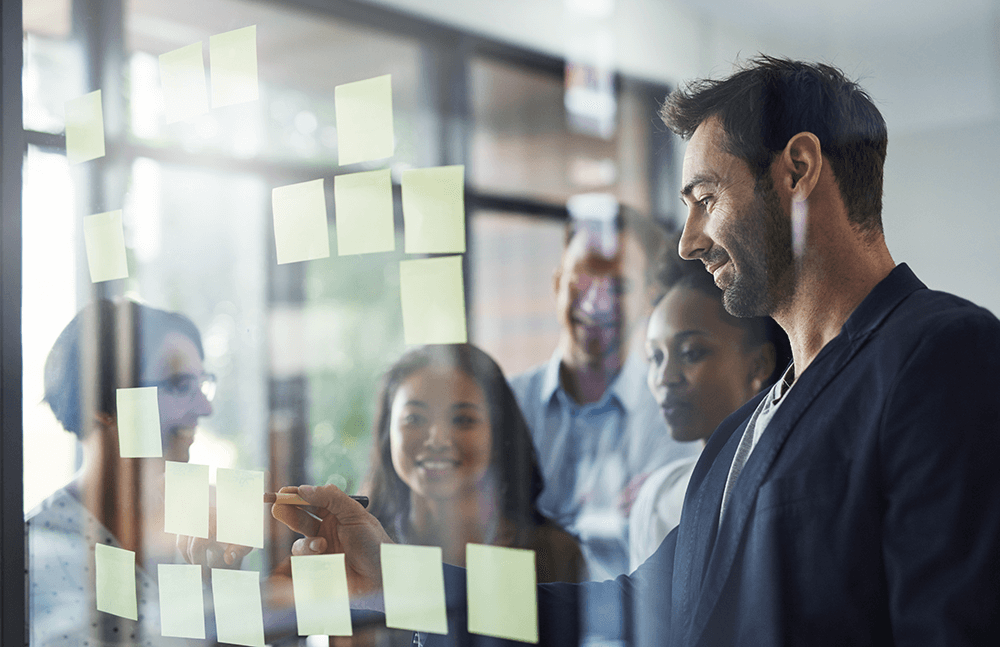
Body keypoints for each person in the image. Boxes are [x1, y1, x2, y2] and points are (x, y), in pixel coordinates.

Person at [273, 56, 1000, 646]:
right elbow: (636, 605)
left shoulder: (940, 352)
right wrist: (397, 578)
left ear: (798, 170)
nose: (687, 241)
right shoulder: (739, 435)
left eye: (705, 196)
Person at [509, 206, 701, 579]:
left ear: (650, 297)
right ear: (556, 285)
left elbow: (668, 561)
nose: (595, 304)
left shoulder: (675, 414)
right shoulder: (506, 402)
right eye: (581, 282)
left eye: (617, 287)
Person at [26, 299, 226, 647]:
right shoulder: (36, 552)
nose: (205, 407)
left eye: (202, 383)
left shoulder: (199, 528)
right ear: (103, 403)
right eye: (180, 385)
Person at [628, 234, 790, 570]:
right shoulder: (657, 497)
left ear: (759, 364)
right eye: (655, 357)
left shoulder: (788, 488)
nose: (664, 377)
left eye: (690, 353)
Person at [363, 344, 585, 583]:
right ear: (388, 433)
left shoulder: (553, 555)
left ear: (499, 434)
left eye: (462, 419)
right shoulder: (361, 549)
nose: (437, 440)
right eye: (414, 418)